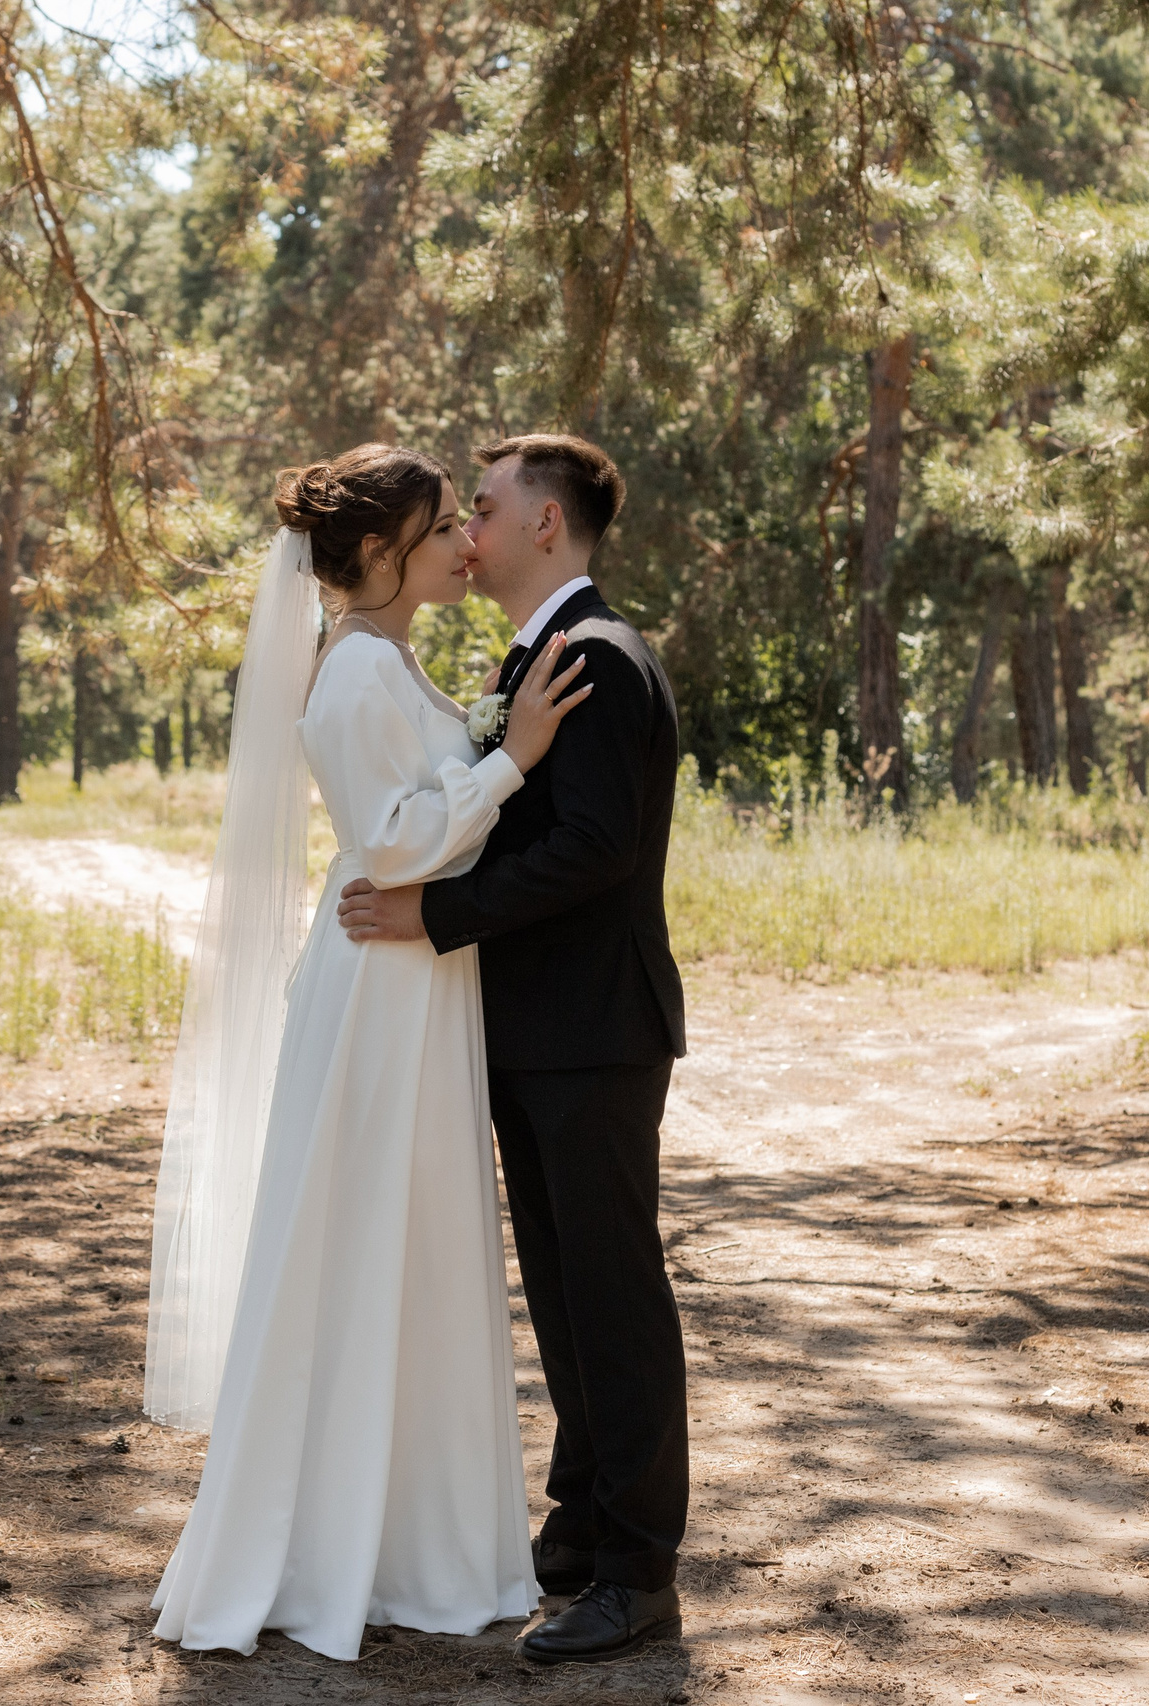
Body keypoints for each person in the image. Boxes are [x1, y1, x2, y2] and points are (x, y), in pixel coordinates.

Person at [144, 443, 592, 1661]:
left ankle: (414, 1540)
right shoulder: (348, 676)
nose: (465, 540)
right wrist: (512, 758)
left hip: (420, 981)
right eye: (445, 522)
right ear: (385, 551)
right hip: (379, 992)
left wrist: (497, 749)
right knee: (358, 1241)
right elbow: (392, 846)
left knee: (418, 1249)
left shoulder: (393, 661)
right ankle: (323, 1543)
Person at [337, 433, 689, 1664]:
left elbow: (590, 846)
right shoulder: (537, 655)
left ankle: (638, 1572)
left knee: (612, 1297)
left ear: (548, 524)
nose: (466, 530)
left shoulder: (592, 655)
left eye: (482, 509)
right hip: (541, 1033)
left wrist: (432, 916)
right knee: (566, 1297)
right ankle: (581, 1535)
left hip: (592, 1032)